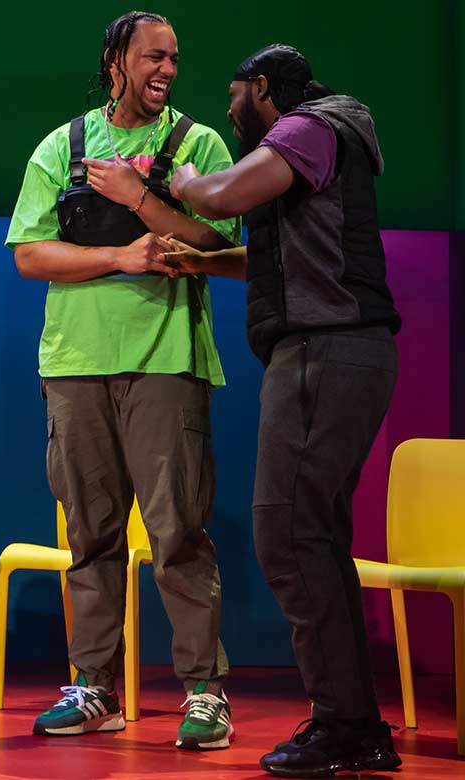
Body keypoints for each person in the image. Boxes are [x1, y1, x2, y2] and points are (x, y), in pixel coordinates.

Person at [5, 10, 240, 750]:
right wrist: (122, 257)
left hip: (166, 362)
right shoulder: (64, 147)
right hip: (75, 366)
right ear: (116, 60)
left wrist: (141, 199)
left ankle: (204, 691)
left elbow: (222, 241)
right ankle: (95, 686)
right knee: (91, 534)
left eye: (173, 59)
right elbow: (31, 254)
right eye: (151, 57)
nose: (165, 70)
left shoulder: (196, 143)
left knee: (177, 532)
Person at [167, 44, 402, 778]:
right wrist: (207, 264)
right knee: (315, 537)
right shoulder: (324, 141)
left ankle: (345, 725)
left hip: (324, 354)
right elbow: (285, 254)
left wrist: (185, 181)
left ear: (260, 88)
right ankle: (355, 724)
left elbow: (223, 196)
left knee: (288, 530)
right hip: (340, 353)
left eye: (235, 96)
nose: (232, 111)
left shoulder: (307, 127)